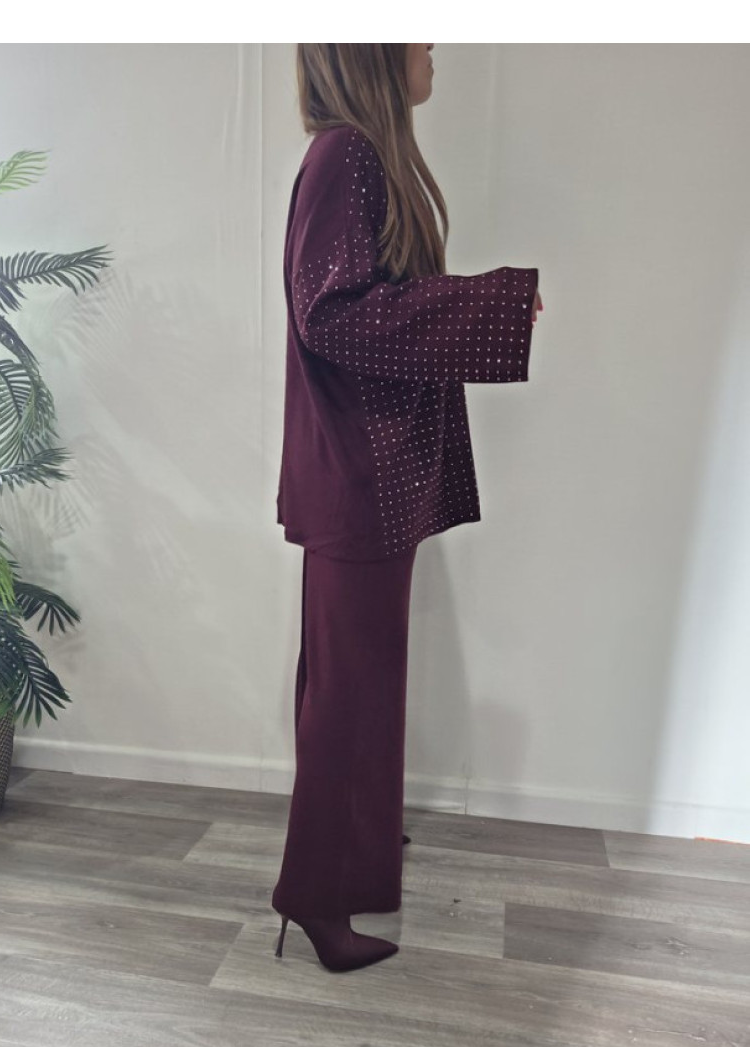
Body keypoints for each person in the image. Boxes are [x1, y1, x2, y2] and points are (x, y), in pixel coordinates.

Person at [271, 44, 543, 973]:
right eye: (417, 32)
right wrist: (488, 306)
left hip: (366, 472)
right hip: (357, 476)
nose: (433, 46)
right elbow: (332, 313)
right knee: (348, 694)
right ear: (374, 50)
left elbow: (349, 305)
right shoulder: (344, 155)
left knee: (357, 683)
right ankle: (316, 896)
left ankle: (350, 852)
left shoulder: (356, 155)